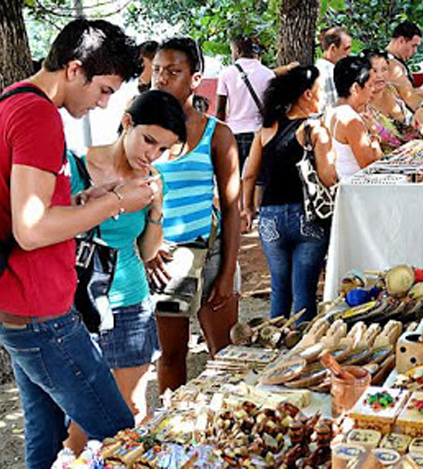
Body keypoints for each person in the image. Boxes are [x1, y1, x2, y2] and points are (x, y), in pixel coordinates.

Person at [0, 19, 152, 468]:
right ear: (75, 70)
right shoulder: (37, 115)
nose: (103, 104)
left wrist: (79, 202)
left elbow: (23, 207)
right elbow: (32, 229)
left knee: (45, 432)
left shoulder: (13, 101)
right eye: (104, 90)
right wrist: (116, 201)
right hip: (40, 312)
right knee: (123, 438)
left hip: (15, 303)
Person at [64, 90, 186, 447]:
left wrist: (157, 206)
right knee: (81, 421)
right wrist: (109, 199)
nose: (152, 154)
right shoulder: (77, 166)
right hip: (79, 304)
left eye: (162, 149)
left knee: (132, 410)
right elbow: (58, 230)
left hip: (130, 299)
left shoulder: (151, 178)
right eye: (148, 140)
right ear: (127, 122)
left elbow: (147, 251)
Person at [149, 37, 242, 393]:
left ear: (195, 77)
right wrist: (147, 249)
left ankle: (227, 433)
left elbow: (233, 207)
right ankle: (169, 435)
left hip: (212, 253)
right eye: (157, 70)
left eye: (173, 71)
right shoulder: (139, 129)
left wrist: (228, 271)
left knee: (225, 357)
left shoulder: (217, 134)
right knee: (171, 356)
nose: (161, 79)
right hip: (164, 260)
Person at [240, 65, 337, 322]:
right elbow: (328, 177)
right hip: (307, 216)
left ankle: (275, 344)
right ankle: (300, 352)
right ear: (307, 94)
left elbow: (249, 174)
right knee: (304, 292)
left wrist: (247, 208)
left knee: (279, 288)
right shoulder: (314, 130)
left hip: (270, 216)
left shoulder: (267, 128)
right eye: (321, 91)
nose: (324, 96)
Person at [216, 35, 275, 172]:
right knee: (257, 180)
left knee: (233, 179)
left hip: (233, 134)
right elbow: (272, 108)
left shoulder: (226, 73)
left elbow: (220, 111)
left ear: (237, 51)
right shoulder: (268, 74)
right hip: (258, 134)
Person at [327, 56, 384, 179]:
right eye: (369, 85)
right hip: (355, 189)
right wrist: (374, 134)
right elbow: (371, 166)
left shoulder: (331, 111)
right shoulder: (351, 120)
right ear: (355, 88)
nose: (372, 90)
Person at [360, 49, 423, 152]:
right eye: (374, 71)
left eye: (384, 69)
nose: (380, 75)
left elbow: (422, 102)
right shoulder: (361, 104)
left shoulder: (396, 90)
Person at [384, 21, 423, 128]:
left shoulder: (386, 61)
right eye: (413, 46)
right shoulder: (393, 66)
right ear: (401, 40)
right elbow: (410, 97)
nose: (415, 51)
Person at [315, 26, 352, 112]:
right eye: (346, 49)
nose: (349, 53)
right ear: (333, 48)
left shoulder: (319, 69)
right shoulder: (327, 74)